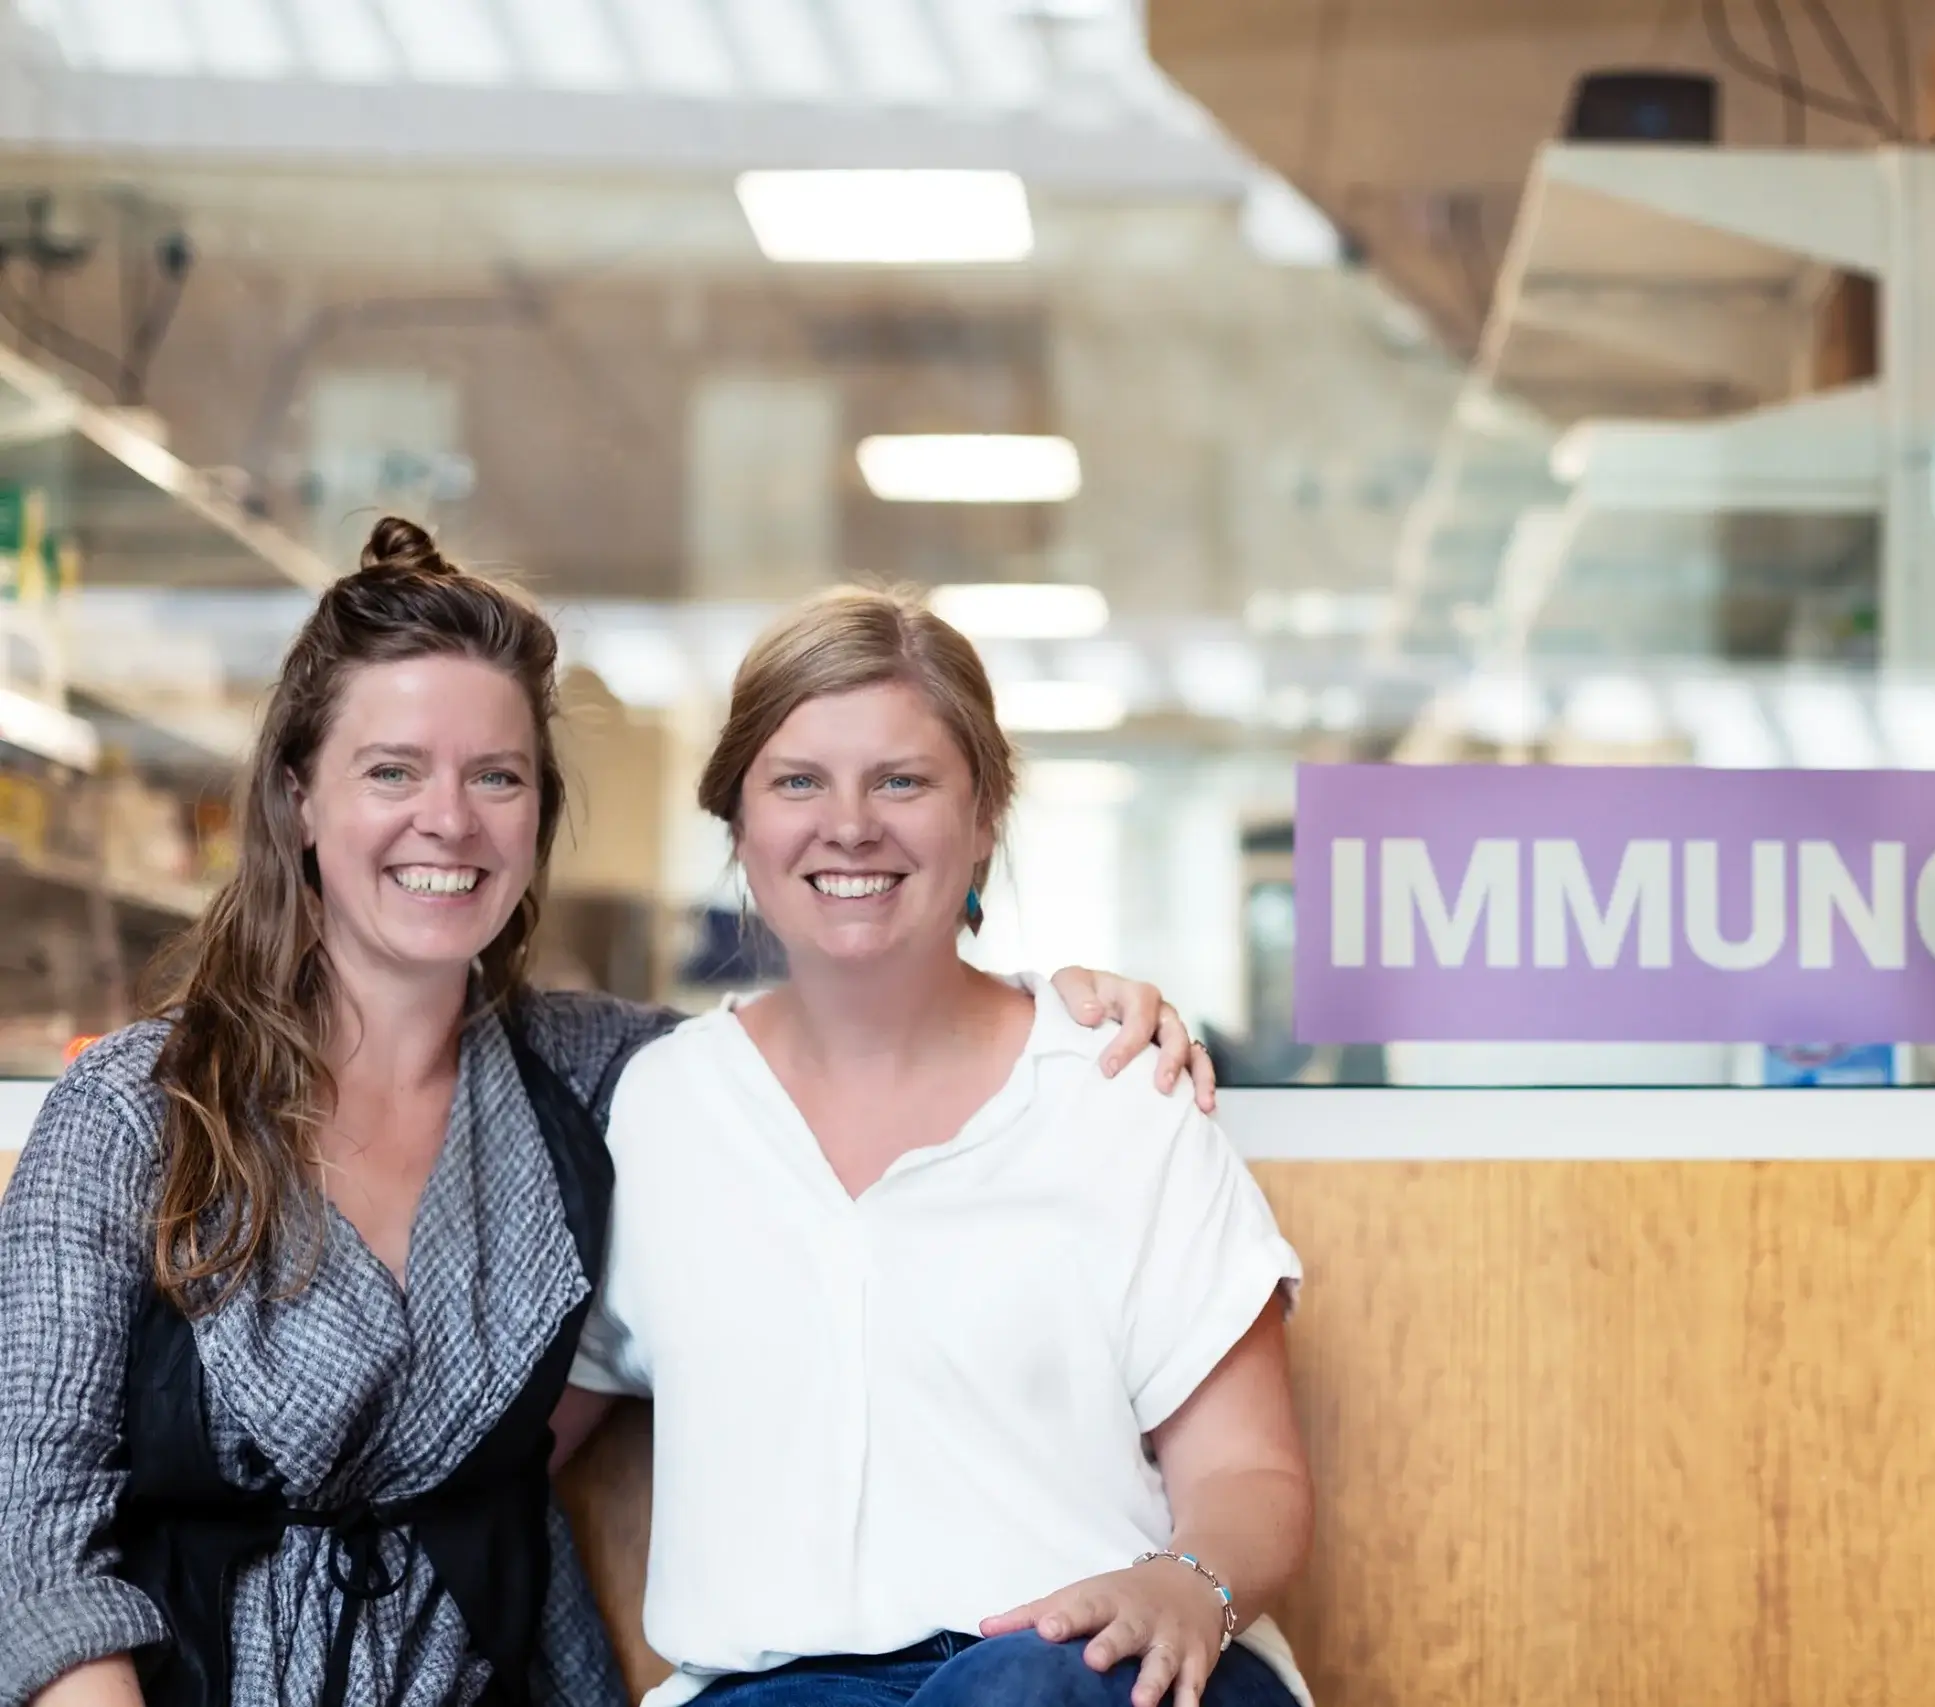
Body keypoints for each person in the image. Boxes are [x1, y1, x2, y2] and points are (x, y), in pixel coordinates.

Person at [0, 519, 1215, 1707]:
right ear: (297, 799)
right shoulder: (135, 1115)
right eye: (392, 771)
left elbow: (846, 1029)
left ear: (536, 816)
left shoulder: (600, 1080)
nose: (450, 819)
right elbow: (32, 1540)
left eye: (498, 777)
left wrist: (1049, 1004)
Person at [556, 588, 1313, 1707]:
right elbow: (508, 1430)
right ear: (740, 826)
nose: (850, 823)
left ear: (983, 819)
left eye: (902, 781)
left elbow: (1249, 1473)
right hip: (782, 1688)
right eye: (798, 780)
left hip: (1095, 1670)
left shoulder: (1112, 1087)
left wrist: (1183, 1584)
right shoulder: (662, 1110)